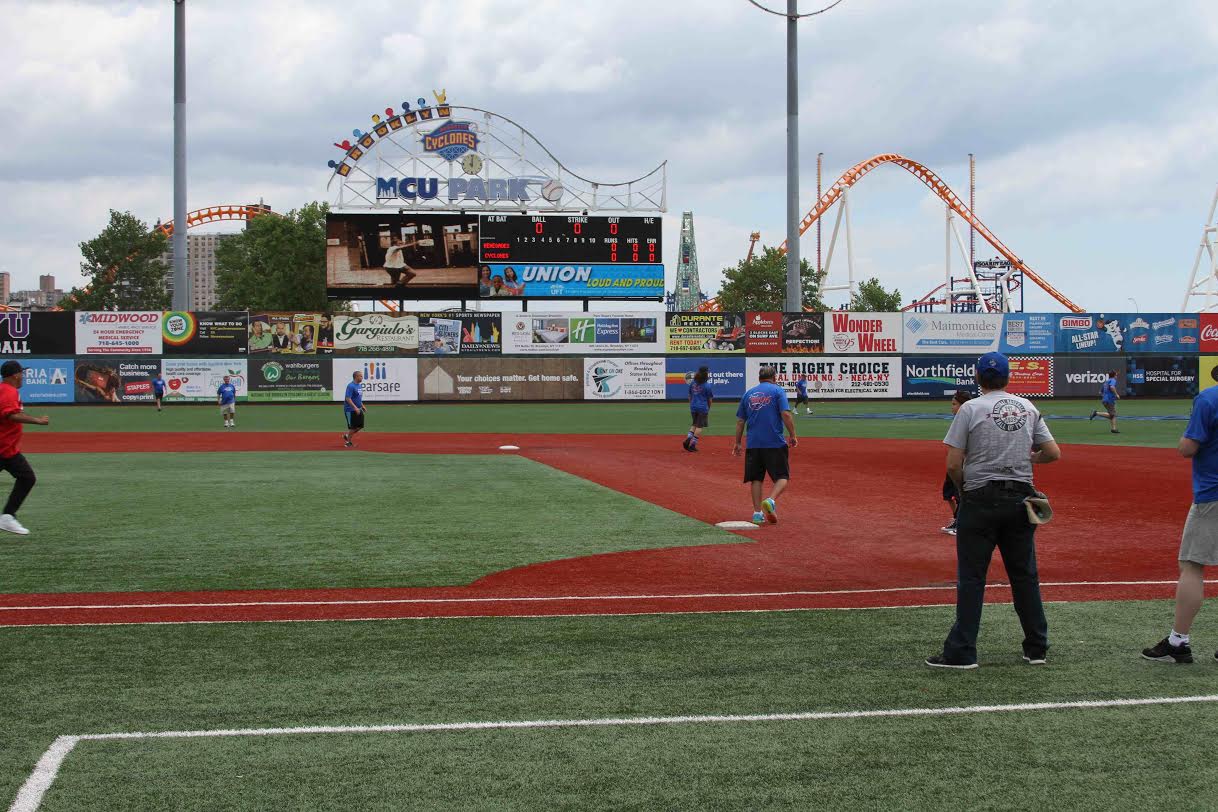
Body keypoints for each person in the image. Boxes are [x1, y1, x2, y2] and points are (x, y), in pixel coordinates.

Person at [926, 352, 1061, 670]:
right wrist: (1030, 459)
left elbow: (953, 464)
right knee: (1024, 576)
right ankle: (1036, 647)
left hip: (980, 499)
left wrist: (963, 491)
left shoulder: (970, 408)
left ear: (978, 378)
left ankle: (962, 652)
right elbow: (1053, 453)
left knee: (972, 578)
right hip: (1020, 500)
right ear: (1008, 377)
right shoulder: (1027, 407)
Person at [1141, 384, 1218, 664]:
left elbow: (1188, 447)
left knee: (1192, 564)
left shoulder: (1209, 398)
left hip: (1213, 493)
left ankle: (1178, 642)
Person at [733, 366, 798, 526]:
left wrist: (738, 442)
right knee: (782, 476)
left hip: (754, 443)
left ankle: (757, 514)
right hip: (774, 442)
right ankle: (771, 500)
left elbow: (741, 421)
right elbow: (786, 414)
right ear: (774, 377)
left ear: (759, 378)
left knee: (756, 478)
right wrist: (793, 434)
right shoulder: (777, 391)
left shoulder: (748, 394)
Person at [0, 361, 49, 535]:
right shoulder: (8, 391)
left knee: (27, 478)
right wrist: (37, 420)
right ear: (15, 375)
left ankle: (7, 517)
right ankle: (7, 516)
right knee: (27, 478)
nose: (24, 377)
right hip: (2, 449)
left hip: (8, 450)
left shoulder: (5, 390)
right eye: (22, 373)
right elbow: (11, 415)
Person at [940, 390, 976, 535]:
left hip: (964, 463)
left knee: (960, 493)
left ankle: (962, 523)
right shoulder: (958, 420)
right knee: (948, 492)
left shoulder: (968, 420)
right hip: (957, 461)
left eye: (955, 404)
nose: (952, 407)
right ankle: (958, 519)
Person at [684, 366, 714, 453]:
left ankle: (688, 438)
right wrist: (708, 408)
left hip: (693, 407)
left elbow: (690, 395)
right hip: (702, 407)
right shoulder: (707, 385)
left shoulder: (693, 383)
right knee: (699, 426)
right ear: (706, 373)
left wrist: (691, 404)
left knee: (694, 424)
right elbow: (710, 399)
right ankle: (693, 444)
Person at [343, 370, 366, 448]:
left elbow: (358, 398)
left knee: (360, 426)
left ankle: (347, 435)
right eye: (360, 376)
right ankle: (348, 442)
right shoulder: (350, 386)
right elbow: (347, 398)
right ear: (356, 377)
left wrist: (362, 405)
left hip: (358, 409)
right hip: (350, 410)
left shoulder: (359, 385)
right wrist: (355, 408)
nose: (362, 377)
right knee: (353, 427)